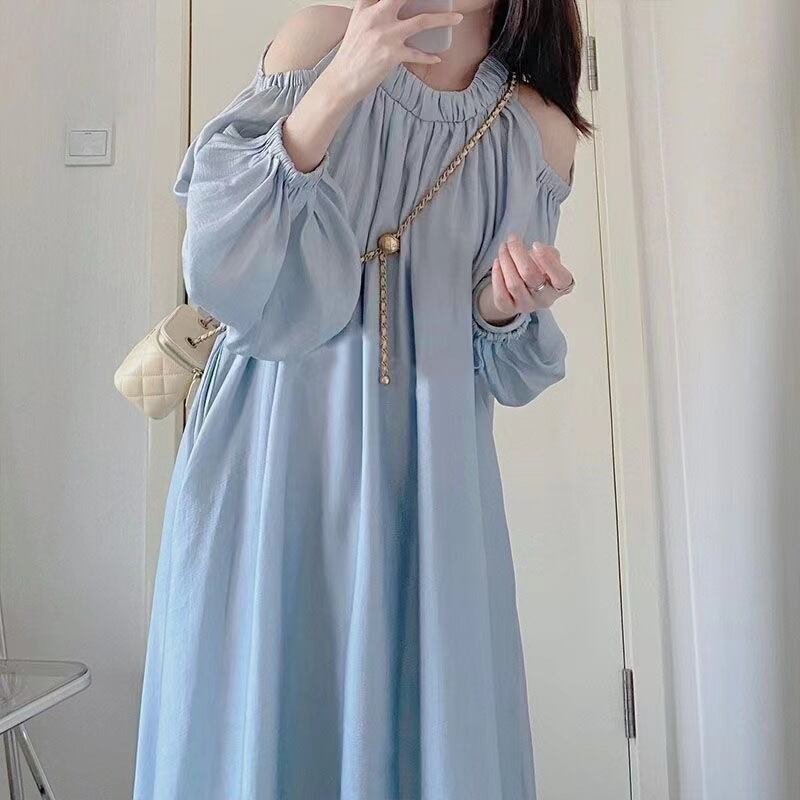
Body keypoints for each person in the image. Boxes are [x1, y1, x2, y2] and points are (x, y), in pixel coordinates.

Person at [133, 2, 587, 798]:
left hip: (429, 471)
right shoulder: (324, 33)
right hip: (274, 445)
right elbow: (219, 256)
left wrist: (505, 304)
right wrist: (344, 77)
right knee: (260, 716)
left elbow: (504, 362)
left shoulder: (535, 128)